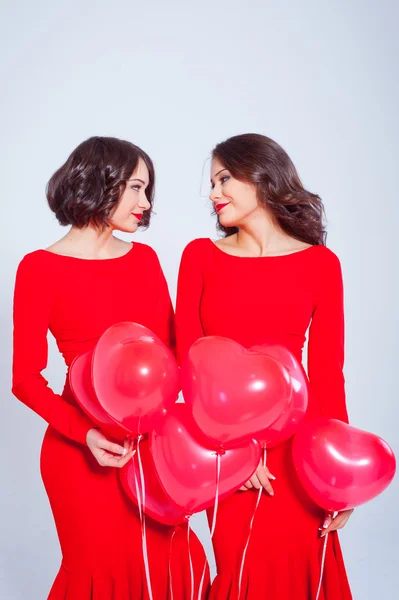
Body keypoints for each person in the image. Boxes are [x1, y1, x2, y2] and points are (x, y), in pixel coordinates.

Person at [12, 136, 209, 599]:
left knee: (171, 564)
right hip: (80, 453)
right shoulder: (38, 268)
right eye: (137, 188)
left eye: (147, 190)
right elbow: (24, 379)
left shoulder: (144, 260)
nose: (146, 202)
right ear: (103, 182)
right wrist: (86, 434)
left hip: (151, 448)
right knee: (98, 572)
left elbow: (177, 353)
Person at [176, 133, 353, 599]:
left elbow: (328, 376)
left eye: (224, 179)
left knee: (303, 572)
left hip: (299, 456)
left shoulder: (320, 264)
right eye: (212, 182)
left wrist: (341, 478)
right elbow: (187, 363)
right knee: (242, 572)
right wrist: (234, 444)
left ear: (262, 177)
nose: (213, 193)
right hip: (225, 453)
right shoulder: (200, 257)